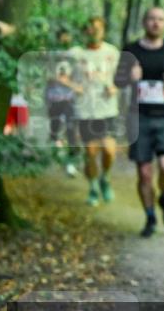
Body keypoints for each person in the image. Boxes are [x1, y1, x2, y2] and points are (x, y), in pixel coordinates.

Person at [115, 7, 164, 237]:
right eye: (152, 19)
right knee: (144, 174)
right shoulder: (131, 49)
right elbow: (117, 80)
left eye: (160, 19)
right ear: (144, 22)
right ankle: (150, 217)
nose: (156, 23)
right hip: (139, 117)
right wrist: (129, 76)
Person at [68, 16, 121, 206]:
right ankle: (92, 188)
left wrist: (115, 87)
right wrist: (75, 87)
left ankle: (105, 178)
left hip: (107, 109)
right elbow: (60, 76)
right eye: (90, 28)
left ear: (103, 31)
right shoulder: (76, 53)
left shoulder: (112, 52)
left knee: (108, 150)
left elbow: (121, 77)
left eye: (98, 28)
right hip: (85, 110)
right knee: (90, 152)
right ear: (85, 31)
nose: (94, 31)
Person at [45, 28, 82, 175]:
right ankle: (59, 157)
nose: (66, 39)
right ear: (59, 38)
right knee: (55, 132)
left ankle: (70, 164)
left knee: (72, 132)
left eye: (68, 37)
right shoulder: (51, 56)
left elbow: (78, 80)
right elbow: (49, 77)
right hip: (54, 99)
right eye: (63, 37)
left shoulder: (74, 58)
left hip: (69, 100)